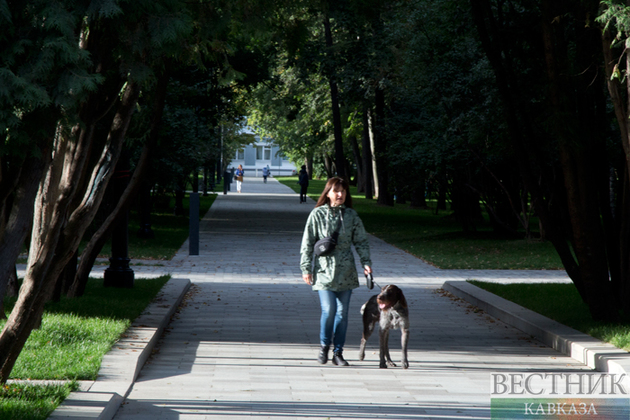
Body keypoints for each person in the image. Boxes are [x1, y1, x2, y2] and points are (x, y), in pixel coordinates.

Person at [299, 177, 372, 366]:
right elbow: (307, 243)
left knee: (342, 313)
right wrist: (306, 268)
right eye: (336, 191)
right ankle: (324, 347)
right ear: (328, 193)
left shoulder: (351, 216)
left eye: (343, 191)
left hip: (346, 271)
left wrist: (366, 263)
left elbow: (361, 241)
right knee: (329, 310)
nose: (340, 195)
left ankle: (338, 352)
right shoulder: (317, 214)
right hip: (323, 270)